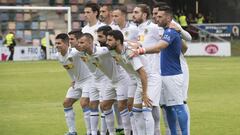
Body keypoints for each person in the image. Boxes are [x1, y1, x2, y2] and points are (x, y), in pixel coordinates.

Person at [130, 5, 189, 135]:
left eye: (160, 16)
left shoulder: (171, 32)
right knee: (167, 108)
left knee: (178, 106)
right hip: (162, 74)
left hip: (173, 74)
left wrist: (141, 50)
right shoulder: (163, 31)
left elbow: (159, 47)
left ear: (169, 18)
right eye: (156, 16)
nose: (156, 18)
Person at [75, 32, 132, 135]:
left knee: (122, 106)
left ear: (90, 42)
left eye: (82, 42)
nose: (79, 44)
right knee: (104, 105)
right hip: (110, 81)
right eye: (79, 42)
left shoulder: (102, 51)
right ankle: (111, 133)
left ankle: (128, 132)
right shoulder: (82, 53)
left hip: (121, 79)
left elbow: (119, 45)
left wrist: (134, 44)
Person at [107, 29, 157, 135]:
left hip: (149, 78)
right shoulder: (112, 50)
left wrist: (144, 93)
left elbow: (143, 73)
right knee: (136, 111)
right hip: (137, 79)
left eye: (110, 40)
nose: (108, 42)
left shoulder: (130, 52)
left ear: (118, 41)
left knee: (146, 110)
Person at [55, 33, 94, 135]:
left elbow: (88, 52)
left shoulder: (75, 52)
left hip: (88, 80)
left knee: (84, 103)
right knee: (66, 103)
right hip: (77, 82)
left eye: (59, 43)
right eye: (56, 43)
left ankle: (90, 132)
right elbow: (70, 69)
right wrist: (73, 79)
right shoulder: (58, 56)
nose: (57, 45)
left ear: (67, 43)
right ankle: (72, 132)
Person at [132, 4, 162, 135]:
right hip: (142, 73)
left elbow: (166, 41)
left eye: (136, 12)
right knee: (143, 108)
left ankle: (157, 131)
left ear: (144, 15)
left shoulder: (154, 28)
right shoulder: (138, 29)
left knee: (148, 107)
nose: (133, 15)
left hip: (154, 72)